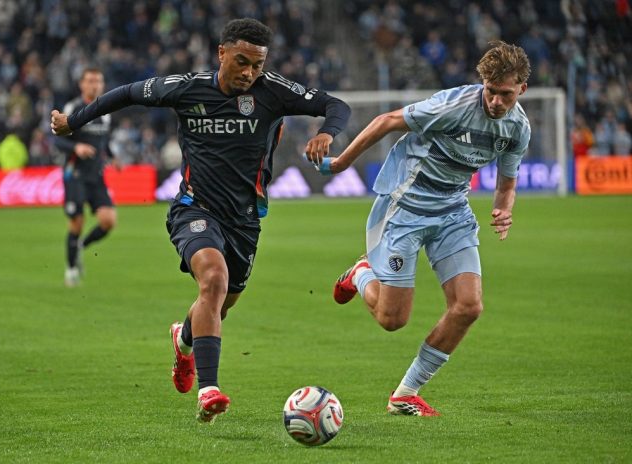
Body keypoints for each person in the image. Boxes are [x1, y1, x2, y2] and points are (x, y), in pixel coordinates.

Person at [50, 18, 350, 423]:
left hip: (245, 221)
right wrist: (74, 122)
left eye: (257, 65)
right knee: (213, 279)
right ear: (221, 53)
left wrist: (327, 133)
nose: (249, 72)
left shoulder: (272, 91)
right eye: (242, 61)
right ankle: (209, 390)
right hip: (195, 208)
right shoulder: (187, 88)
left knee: (219, 305)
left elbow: (336, 105)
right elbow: (127, 93)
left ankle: (184, 340)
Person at [323, 41, 531, 416]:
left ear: (522, 89)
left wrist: (504, 208)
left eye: (506, 94)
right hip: (405, 208)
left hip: (453, 211)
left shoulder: (518, 128)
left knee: (468, 307)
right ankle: (361, 274)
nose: (496, 101)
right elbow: (386, 121)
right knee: (392, 320)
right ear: (482, 84)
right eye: (490, 91)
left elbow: (507, 183)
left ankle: (405, 393)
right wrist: (341, 162)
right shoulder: (452, 106)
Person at [53, 68, 119, 287]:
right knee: (76, 223)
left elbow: (103, 141)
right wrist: (76, 147)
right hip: (76, 174)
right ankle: (71, 269)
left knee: (108, 221)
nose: (94, 85)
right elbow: (57, 139)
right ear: (81, 84)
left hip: (96, 175)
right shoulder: (72, 108)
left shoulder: (106, 111)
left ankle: (80, 247)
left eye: (98, 81)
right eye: (90, 81)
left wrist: (112, 156)